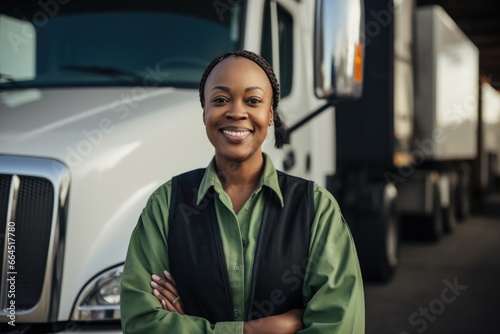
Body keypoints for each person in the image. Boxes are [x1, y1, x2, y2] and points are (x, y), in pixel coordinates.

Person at [120, 49, 365, 333]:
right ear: (205, 113)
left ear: (270, 114)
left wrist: (188, 325)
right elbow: (141, 323)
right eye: (221, 100)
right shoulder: (166, 205)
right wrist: (257, 329)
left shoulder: (317, 209)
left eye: (253, 100)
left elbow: (339, 325)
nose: (236, 112)